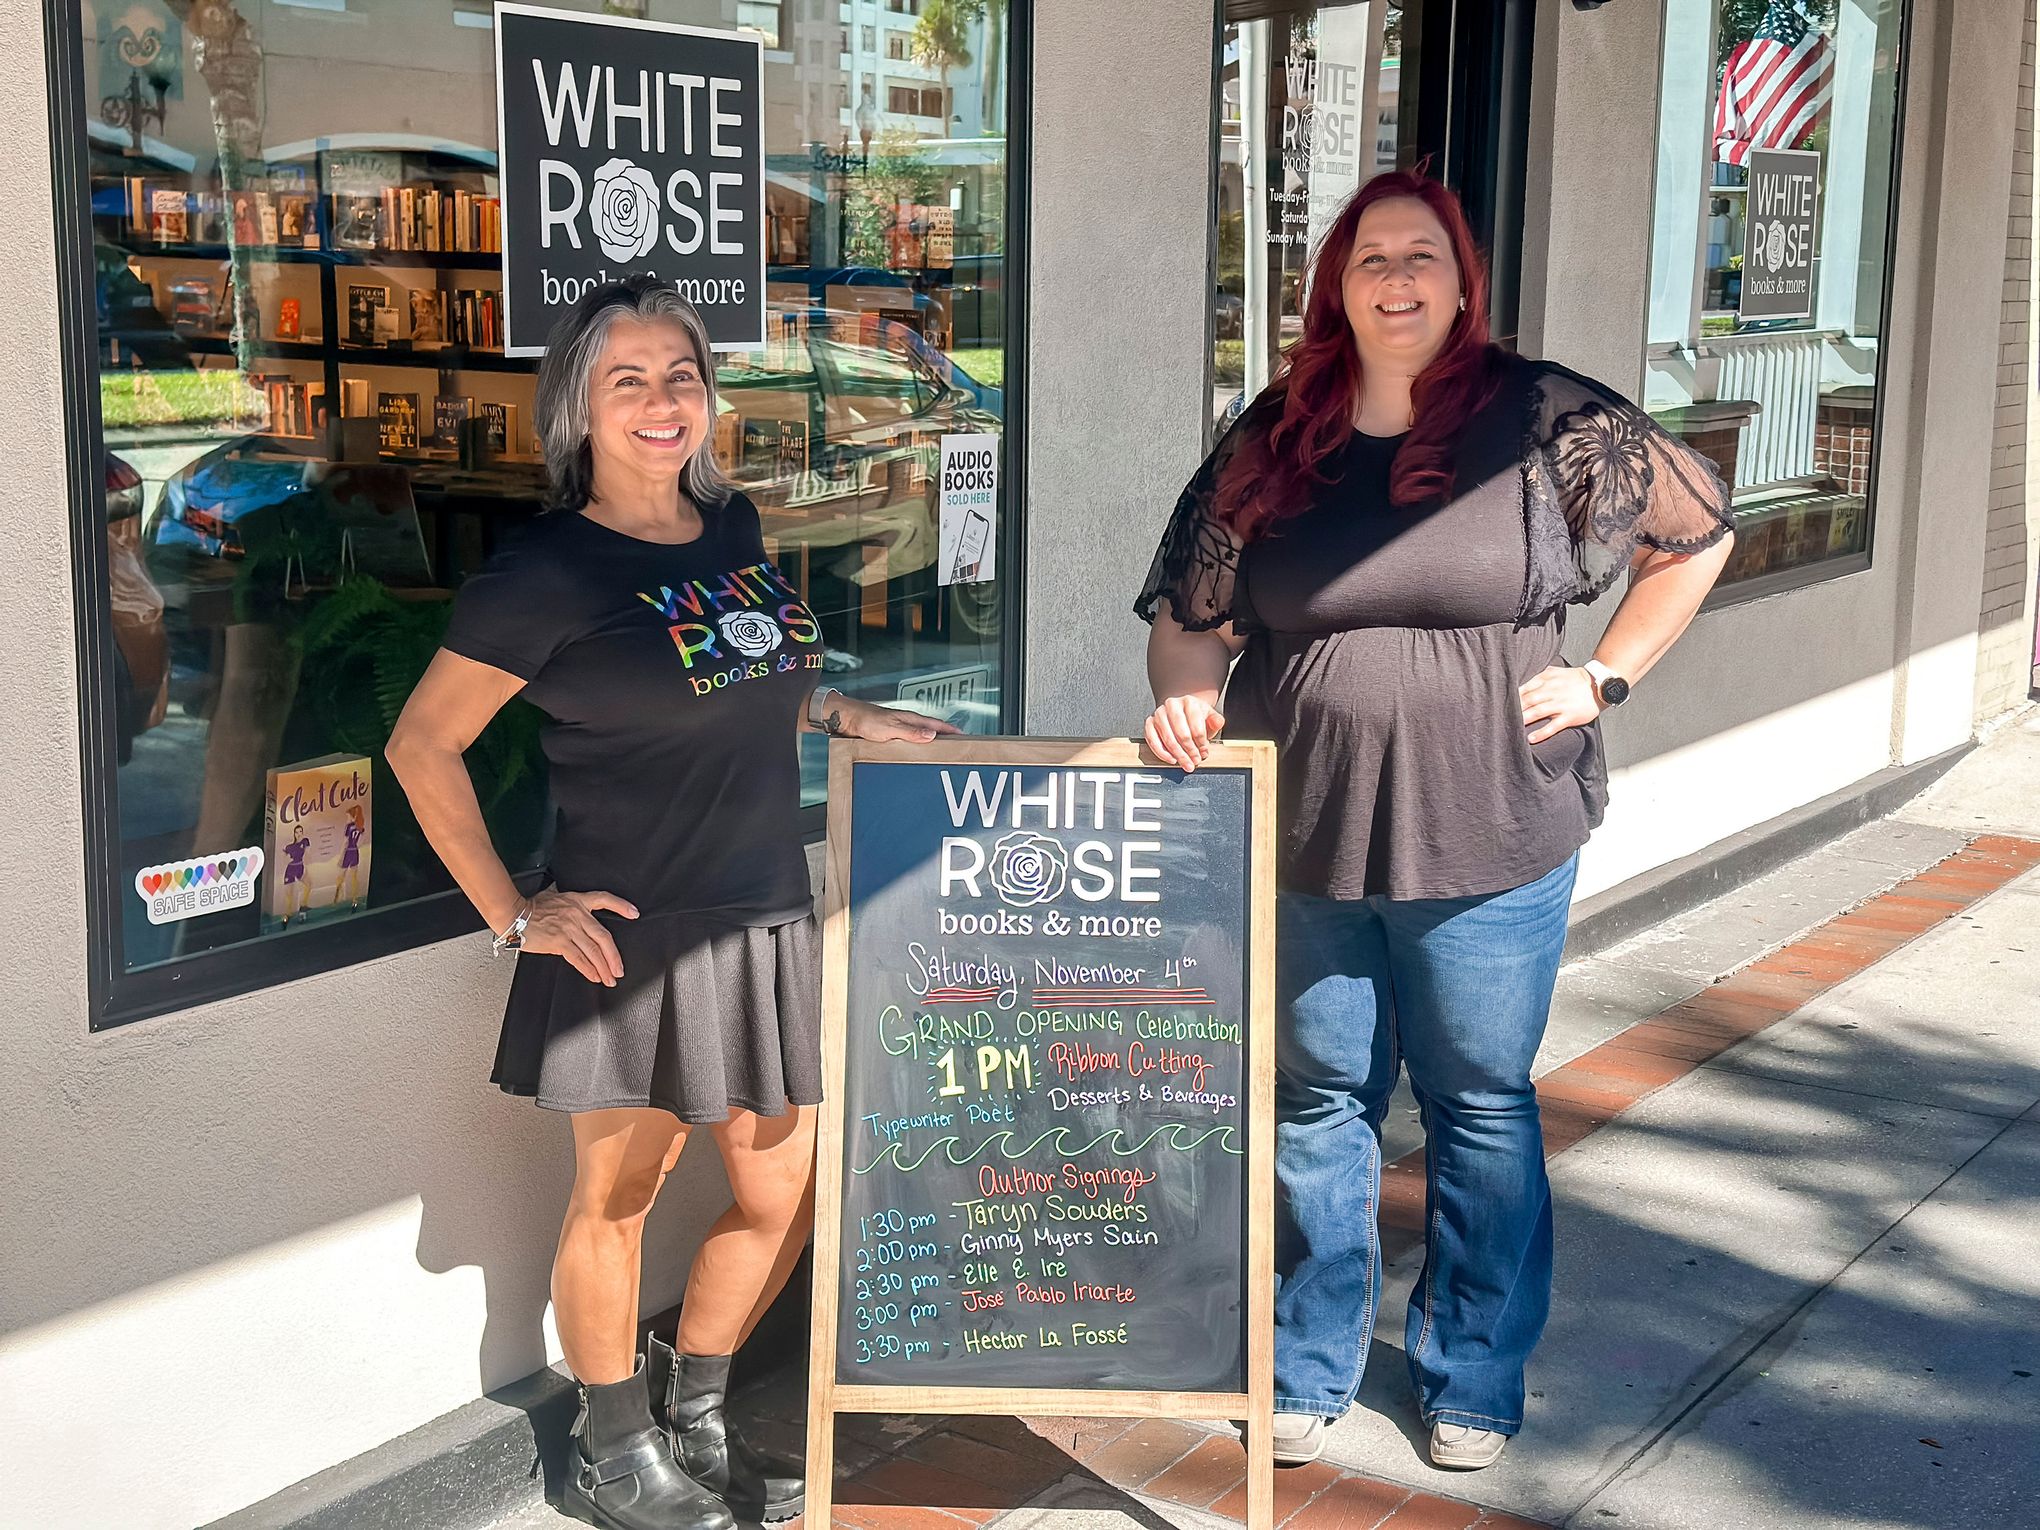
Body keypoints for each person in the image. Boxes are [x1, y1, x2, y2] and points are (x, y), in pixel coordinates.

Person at [1137, 172, 1734, 1473]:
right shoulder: (1278, 431)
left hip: (1494, 835)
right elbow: (1192, 617)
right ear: (1335, 288)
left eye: (1421, 258)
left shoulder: (1543, 414)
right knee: (1317, 1101)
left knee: (1477, 1100)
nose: (1396, 280)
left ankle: (1473, 1369)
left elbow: (1692, 535)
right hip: (1302, 834)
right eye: (1369, 260)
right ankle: (1307, 1362)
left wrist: (1606, 674)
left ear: (1462, 282)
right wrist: (1185, 705)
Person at [389, 276, 953, 1530]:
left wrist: (854, 713)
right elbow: (422, 747)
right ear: (579, 408)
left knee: (776, 1194)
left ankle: (693, 1408)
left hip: (762, 910)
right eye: (626, 380)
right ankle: (609, 1443)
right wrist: (518, 911)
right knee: (621, 1200)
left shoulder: (728, 525)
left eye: (681, 376)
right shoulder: (543, 572)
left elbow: (747, 676)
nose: (661, 403)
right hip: (634, 940)